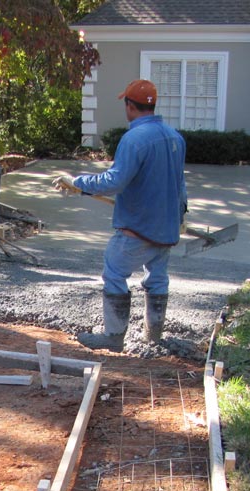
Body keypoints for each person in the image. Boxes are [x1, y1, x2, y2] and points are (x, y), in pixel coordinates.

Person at [54, 79, 187, 352]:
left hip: (137, 228)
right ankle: (154, 335)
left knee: (114, 272)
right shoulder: (175, 137)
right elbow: (179, 182)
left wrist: (77, 181)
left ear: (129, 105)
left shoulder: (134, 139)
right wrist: (181, 212)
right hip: (166, 227)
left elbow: (115, 182)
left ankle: (113, 337)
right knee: (158, 278)